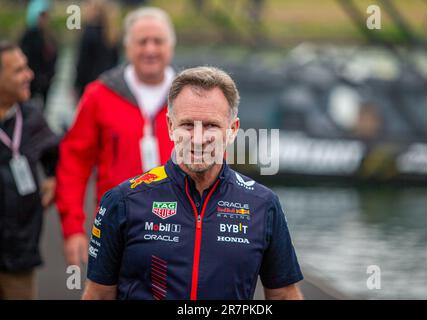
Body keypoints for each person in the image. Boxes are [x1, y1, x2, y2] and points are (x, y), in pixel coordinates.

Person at [83, 66, 304, 300]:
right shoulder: (123, 201)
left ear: (232, 130)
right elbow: (98, 295)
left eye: (211, 125)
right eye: (187, 125)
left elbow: (283, 295)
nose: (198, 139)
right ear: (170, 127)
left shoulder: (263, 204)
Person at [55, 7, 175, 267]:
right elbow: (74, 161)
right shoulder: (99, 94)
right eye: (142, 41)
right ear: (127, 46)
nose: (150, 50)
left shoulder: (191, 96)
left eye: (158, 41)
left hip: (180, 233)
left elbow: (214, 162)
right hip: (117, 231)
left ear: (171, 46)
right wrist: (73, 227)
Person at [0, 41, 59, 299]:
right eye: (19, 70)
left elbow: (56, 153)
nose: (30, 75)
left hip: (20, 254)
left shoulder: (31, 116)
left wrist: (54, 177)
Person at [74, 0, 121, 99]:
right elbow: (116, 62)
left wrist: (76, 86)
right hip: (109, 84)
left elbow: (82, 64)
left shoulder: (89, 33)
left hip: (90, 85)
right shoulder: (113, 35)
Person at [19, 0, 58, 110]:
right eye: (41, 15)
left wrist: (49, 76)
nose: (44, 19)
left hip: (45, 84)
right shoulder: (28, 36)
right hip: (32, 84)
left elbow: (53, 57)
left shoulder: (49, 36)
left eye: (45, 15)